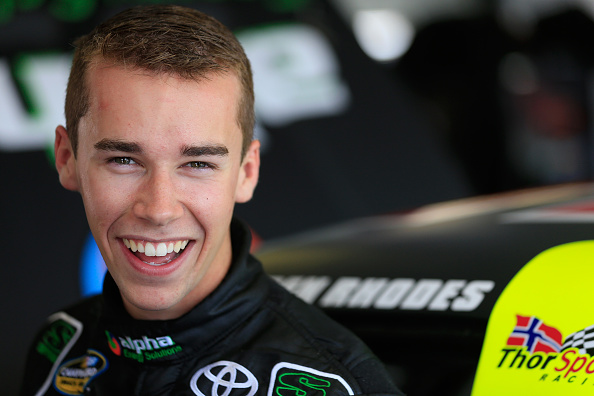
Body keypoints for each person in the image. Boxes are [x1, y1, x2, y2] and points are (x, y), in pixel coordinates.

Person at [20, 5, 403, 396]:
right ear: (67, 159)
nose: (159, 209)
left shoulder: (332, 384)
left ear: (246, 172)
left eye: (198, 163)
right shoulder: (60, 346)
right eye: (124, 160)